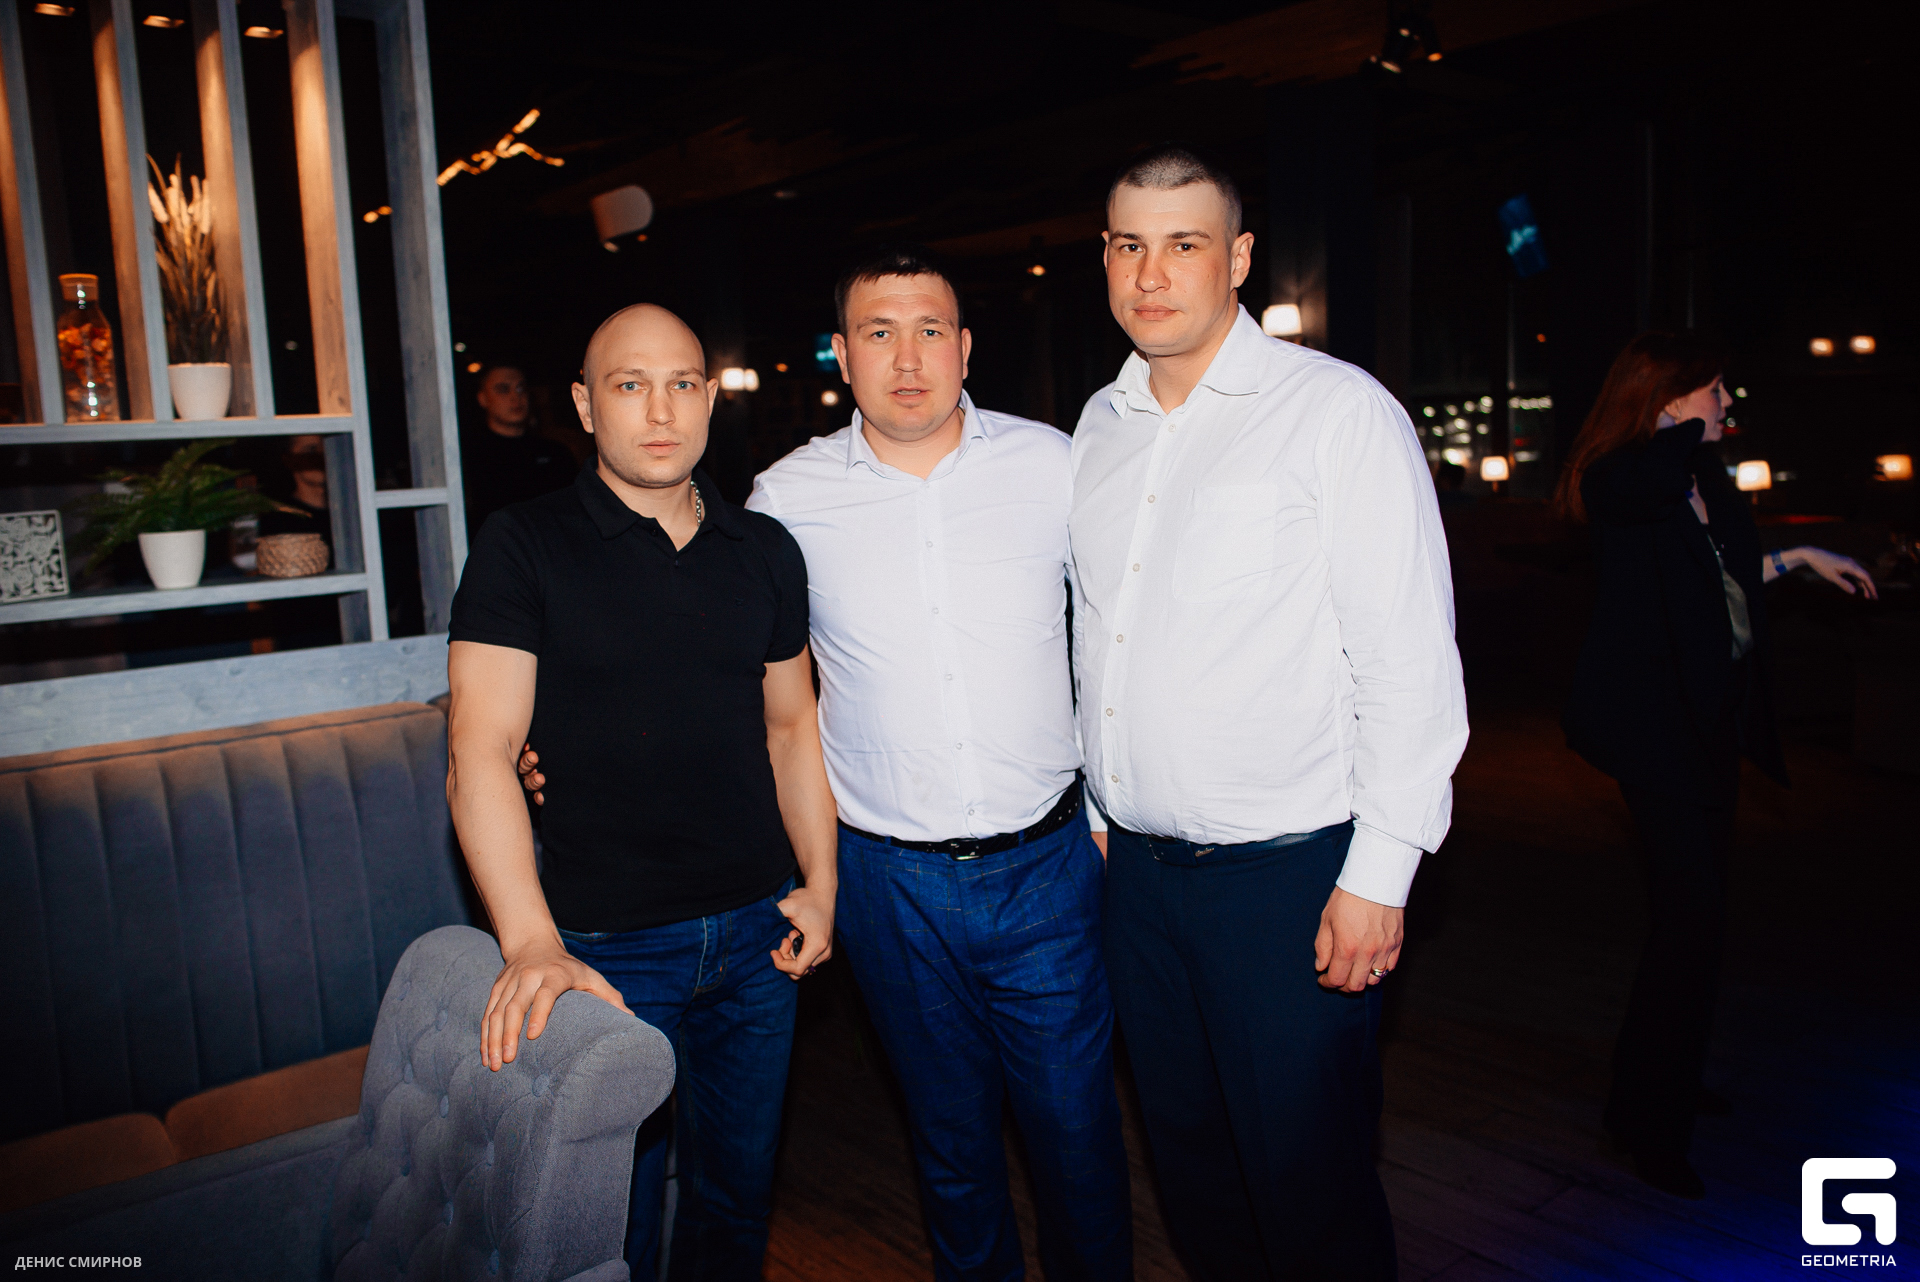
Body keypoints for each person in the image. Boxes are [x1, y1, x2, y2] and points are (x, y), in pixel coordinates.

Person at [1068, 145, 1469, 1281]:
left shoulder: (1337, 412)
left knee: (1311, 1190)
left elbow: (1407, 659)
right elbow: (1100, 630)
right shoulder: (1100, 424)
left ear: (1239, 258)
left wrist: (1381, 871)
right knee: (1194, 1172)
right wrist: (1099, 804)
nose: (1152, 273)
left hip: (1289, 882)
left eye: (1184, 244)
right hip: (1136, 879)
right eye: (1129, 245)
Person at [747, 248, 1130, 1281]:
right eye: (879, 333)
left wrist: (1107, 811)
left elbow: (1119, 632)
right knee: (951, 1146)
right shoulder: (786, 498)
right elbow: (745, 682)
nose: (907, 358)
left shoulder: (1053, 465)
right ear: (842, 356)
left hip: (1050, 864)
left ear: (965, 348)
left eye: (929, 331)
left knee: (1078, 1139)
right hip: (887, 881)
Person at [445, 304, 838, 1281]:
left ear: (708, 398)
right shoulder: (523, 542)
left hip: (757, 938)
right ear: (585, 405)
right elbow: (481, 748)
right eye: (630, 385)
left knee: (734, 1203)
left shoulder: (765, 549)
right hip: (606, 946)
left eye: (681, 384)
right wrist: (530, 941)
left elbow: (792, 727)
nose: (660, 411)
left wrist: (822, 883)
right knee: (603, 1221)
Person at [1554, 331, 1875, 1199]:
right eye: (1713, 389)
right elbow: (1646, 486)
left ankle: (1660, 1082)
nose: (1728, 402)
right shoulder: (1624, 476)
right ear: (1667, 398)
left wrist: (1800, 557)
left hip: (1710, 726)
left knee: (1696, 921)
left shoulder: (1698, 475)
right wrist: (1676, 431)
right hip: (1653, 735)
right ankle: (1650, 1126)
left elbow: (1720, 576)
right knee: (1687, 923)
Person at [461, 362, 579, 532]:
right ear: (483, 398)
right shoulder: (470, 456)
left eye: (520, 388)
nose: (515, 397)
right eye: (503, 389)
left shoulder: (555, 453)